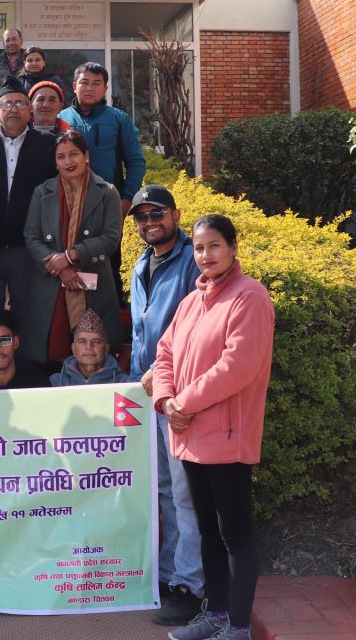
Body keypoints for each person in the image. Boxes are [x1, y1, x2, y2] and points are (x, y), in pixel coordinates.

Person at [152, 214, 275, 640]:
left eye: (215, 246)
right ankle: (217, 615)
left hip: (226, 439)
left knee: (234, 535)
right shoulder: (191, 301)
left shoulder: (250, 296)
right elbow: (164, 354)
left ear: (233, 248)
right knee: (207, 534)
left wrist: (182, 403)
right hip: (189, 437)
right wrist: (166, 400)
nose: (206, 255)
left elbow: (237, 366)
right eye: (200, 247)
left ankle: (238, 627)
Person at [127, 185, 205, 626]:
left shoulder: (192, 260)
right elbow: (140, 333)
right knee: (161, 490)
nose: (150, 222)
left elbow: (198, 329)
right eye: (142, 216)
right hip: (147, 395)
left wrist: (162, 373)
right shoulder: (141, 263)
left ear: (175, 214)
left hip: (179, 395)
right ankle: (172, 576)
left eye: (157, 213)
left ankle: (191, 588)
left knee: (184, 493)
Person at [20, 130, 124, 369]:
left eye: (74, 154)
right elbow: (31, 237)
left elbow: (111, 238)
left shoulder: (107, 192)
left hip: (93, 283)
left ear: (86, 156)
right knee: (51, 356)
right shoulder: (42, 192)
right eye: (61, 156)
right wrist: (61, 270)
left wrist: (70, 256)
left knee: (94, 354)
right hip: (51, 284)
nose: (68, 161)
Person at [0, 87, 57, 314]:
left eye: (20, 103)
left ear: (30, 110)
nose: (14, 109)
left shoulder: (48, 144)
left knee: (27, 313)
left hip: (28, 246)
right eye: (7, 104)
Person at [58, 62, 147, 215]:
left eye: (96, 83)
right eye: (84, 82)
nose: (89, 88)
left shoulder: (119, 119)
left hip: (108, 203)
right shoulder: (60, 118)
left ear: (105, 89)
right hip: (67, 204)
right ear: (74, 86)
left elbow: (136, 162)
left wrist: (126, 200)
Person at [49, 309, 129, 386]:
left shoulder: (123, 383)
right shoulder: (55, 382)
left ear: (106, 348)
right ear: (73, 348)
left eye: (96, 342)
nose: (89, 347)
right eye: (82, 341)